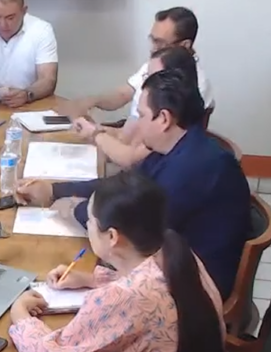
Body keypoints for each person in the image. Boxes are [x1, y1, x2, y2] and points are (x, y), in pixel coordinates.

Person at [10, 171, 225, 352]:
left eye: (90, 222)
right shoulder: (178, 253)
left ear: (112, 237)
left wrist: (21, 314)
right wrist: (90, 279)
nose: (88, 226)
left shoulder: (124, 298)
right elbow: (149, 294)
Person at [17, 69, 249, 299]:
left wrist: (76, 210)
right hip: (165, 268)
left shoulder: (192, 169)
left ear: (164, 119)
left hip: (194, 293)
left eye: (142, 115)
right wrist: (55, 190)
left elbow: (130, 229)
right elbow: (121, 186)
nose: (137, 125)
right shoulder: (174, 146)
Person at [57, 7, 214, 126]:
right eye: (152, 40)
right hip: (130, 133)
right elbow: (123, 94)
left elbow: (158, 140)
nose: (153, 48)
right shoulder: (157, 62)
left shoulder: (194, 84)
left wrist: (99, 133)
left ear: (185, 45)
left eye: (160, 43)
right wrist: (92, 101)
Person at [75, 45, 206, 168]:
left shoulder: (169, 122)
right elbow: (124, 135)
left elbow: (129, 159)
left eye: (152, 77)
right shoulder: (152, 105)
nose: (145, 83)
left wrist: (95, 134)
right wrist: (93, 129)